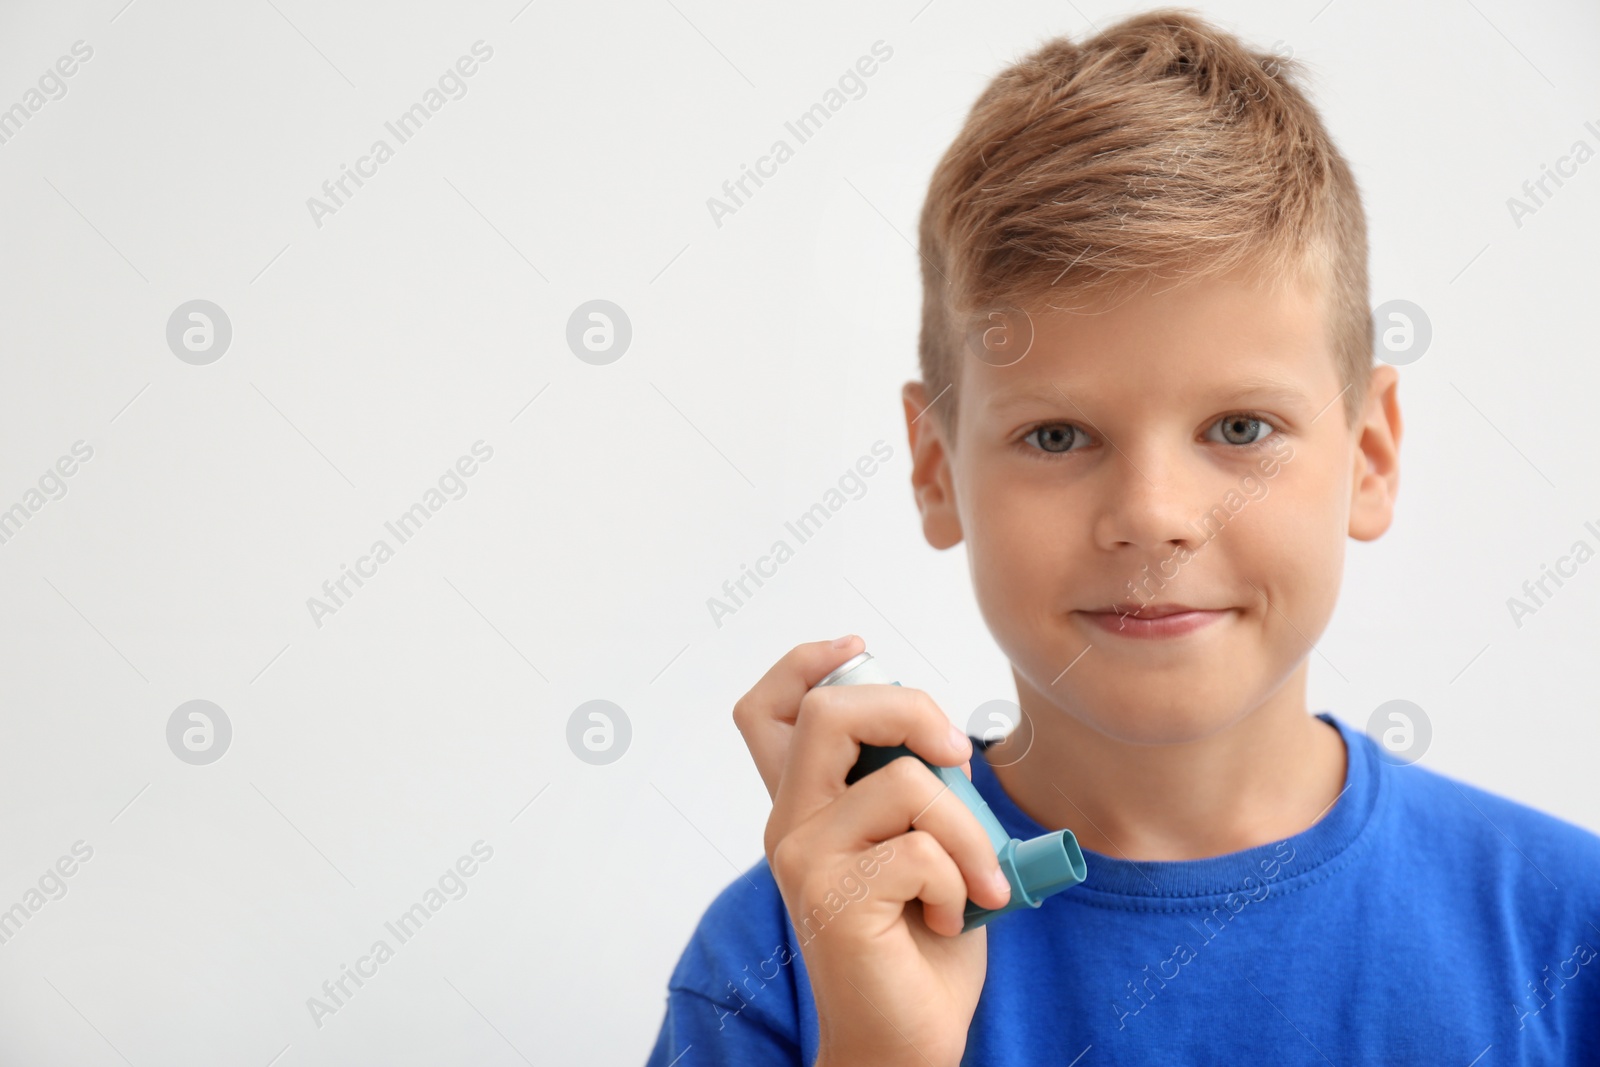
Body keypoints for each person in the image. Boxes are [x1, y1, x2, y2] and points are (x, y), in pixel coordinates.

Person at [645, 9, 1600, 1064]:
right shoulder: (786, 955)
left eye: (1240, 427)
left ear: (1369, 455)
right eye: (1056, 433)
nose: (1152, 513)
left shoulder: (1569, 932)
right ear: (934, 466)